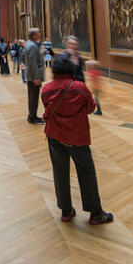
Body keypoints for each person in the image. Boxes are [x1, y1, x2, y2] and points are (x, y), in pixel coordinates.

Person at [42, 53, 113, 225]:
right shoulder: (80, 87)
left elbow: (47, 106)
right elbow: (90, 107)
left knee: (60, 172)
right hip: (77, 136)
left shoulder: (47, 89)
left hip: (55, 136)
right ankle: (95, 214)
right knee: (86, 173)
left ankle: (66, 211)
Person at [25, 28, 44, 124]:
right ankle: (32, 117)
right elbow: (33, 63)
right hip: (33, 77)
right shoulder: (32, 46)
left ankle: (32, 115)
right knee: (33, 97)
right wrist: (36, 77)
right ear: (34, 35)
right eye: (38, 33)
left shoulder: (29, 44)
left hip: (31, 76)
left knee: (33, 96)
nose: (40, 34)